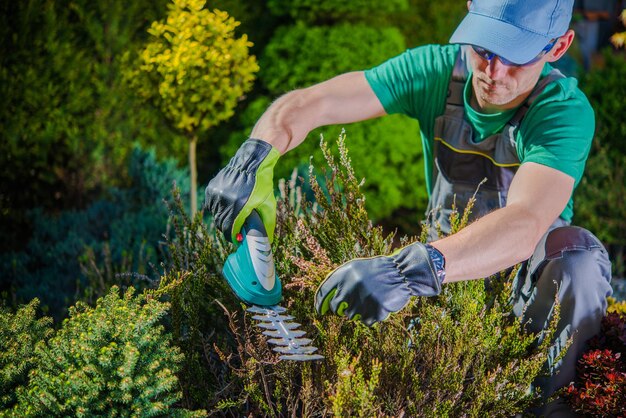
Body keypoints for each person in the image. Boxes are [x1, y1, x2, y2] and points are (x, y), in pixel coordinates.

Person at [205, 0, 613, 415]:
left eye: (516, 59)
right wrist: (254, 155)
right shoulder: (436, 71)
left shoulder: (561, 111)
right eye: (485, 49)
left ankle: (554, 408)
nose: (492, 72)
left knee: (577, 256)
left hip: (516, 292)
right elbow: (316, 102)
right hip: (444, 289)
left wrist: (412, 270)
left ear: (558, 47)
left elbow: (524, 223)